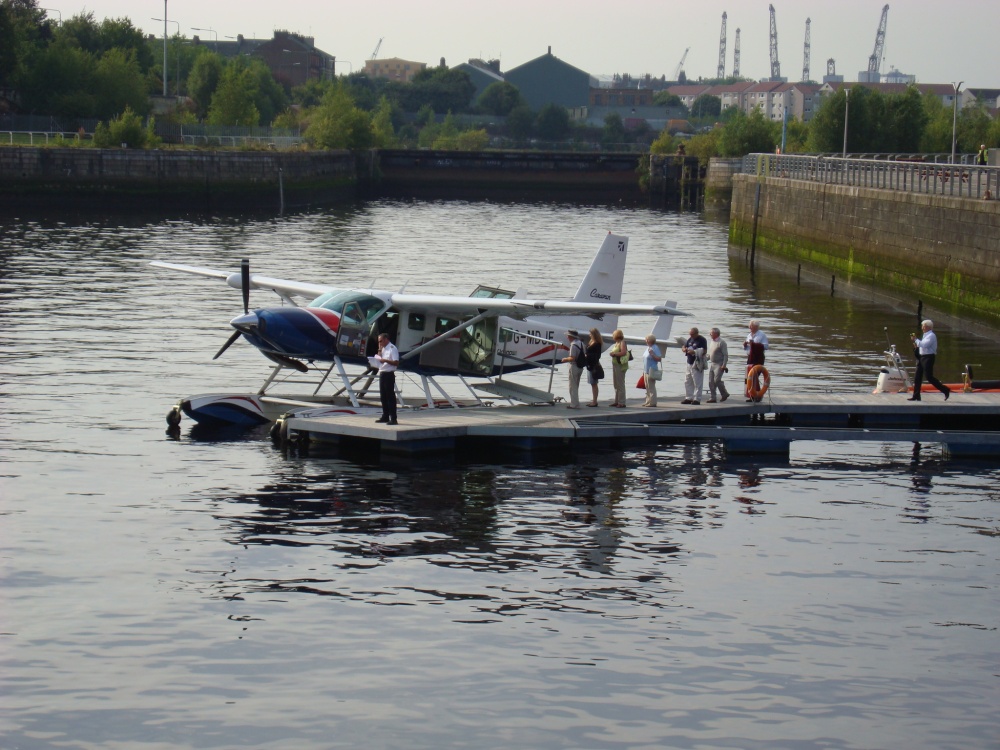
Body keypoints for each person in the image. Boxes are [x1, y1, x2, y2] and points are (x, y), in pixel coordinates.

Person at [908, 320, 950, 401]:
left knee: (929, 377)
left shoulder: (931, 335)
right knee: (917, 377)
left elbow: (924, 345)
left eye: (924, 326)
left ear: (929, 327)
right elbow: (922, 346)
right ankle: (916, 395)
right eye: (922, 326)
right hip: (921, 357)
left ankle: (945, 390)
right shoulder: (925, 335)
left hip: (928, 358)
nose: (922, 328)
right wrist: (916, 345)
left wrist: (916, 339)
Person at [373, 333, 399, 424]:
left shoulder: (392, 348)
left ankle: (393, 418)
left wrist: (385, 360)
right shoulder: (383, 348)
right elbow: (379, 357)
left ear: (386, 339)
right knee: (383, 397)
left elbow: (396, 362)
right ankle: (385, 416)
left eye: (381, 341)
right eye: (379, 341)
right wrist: (379, 349)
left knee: (390, 397)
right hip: (382, 373)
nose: (380, 343)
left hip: (389, 374)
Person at [743, 319, 769, 401]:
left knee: (754, 376)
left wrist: (754, 344)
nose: (750, 327)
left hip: (758, 358)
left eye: (752, 326)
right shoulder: (749, 335)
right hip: (750, 358)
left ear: (756, 327)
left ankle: (757, 395)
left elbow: (766, 346)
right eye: (749, 325)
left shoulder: (762, 335)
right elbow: (747, 348)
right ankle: (752, 395)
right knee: (749, 376)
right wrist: (745, 345)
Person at [681, 326, 708, 405]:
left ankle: (697, 399)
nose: (691, 336)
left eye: (692, 334)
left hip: (697, 363)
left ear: (697, 333)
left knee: (697, 382)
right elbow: (684, 346)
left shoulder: (702, 340)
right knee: (687, 381)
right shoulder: (690, 339)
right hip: (689, 362)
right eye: (690, 334)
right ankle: (689, 397)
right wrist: (684, 349)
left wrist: (694, 352)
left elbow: (704, 351)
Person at [561, 329, 585, 409]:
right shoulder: (581, 343)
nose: (567, 337)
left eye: (568, 336)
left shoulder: (573, 345)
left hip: (574, 366)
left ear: (571, 337)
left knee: (572, 386)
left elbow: (572, 358)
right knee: (576, 385)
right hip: (580, 367)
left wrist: (565, 359)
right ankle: (576, 403)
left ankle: (574, 404)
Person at [706, 327, 730, 403]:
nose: (710, 334)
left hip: (719, 364)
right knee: (711, 381)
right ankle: (713, 397)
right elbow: (711, 354)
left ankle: (724, 393)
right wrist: (704, 359)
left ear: (716, 334)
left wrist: (724, 365)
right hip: (712, 363)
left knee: (717, 380)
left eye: (711, 333)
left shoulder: (722, 342)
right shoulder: (712, 342)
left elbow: (725, 355)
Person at [608, 329, 629, 407]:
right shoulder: (616, 343)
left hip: (620, 365)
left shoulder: (622, 342)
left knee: (620, 383)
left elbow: (623, 352)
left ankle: (622, 402)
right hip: (615, 364)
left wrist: (615, 354)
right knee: (616, 384)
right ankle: (617, 400)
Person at [584, 327, 604, 407]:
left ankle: (595, 401)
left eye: (590, 334)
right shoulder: (591, 342)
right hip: (589, 364)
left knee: (594, 383)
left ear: (594, 334)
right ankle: (593, 400)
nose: (589, 335)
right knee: (592, 383)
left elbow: (597, 355)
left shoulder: (597, 344)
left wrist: (587, 355)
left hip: (593, 365)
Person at [641, 334, 662, 407]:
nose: (646, 341)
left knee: (651, 386)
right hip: (646, 370)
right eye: (646, 339)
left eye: (647, 340)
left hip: (652, 369)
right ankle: (648, 401)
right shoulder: (648, 348)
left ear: (651, 341)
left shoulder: (655, 348)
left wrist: (652, 354)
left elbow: (659, 359)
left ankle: (653, 402)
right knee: (647, 386)